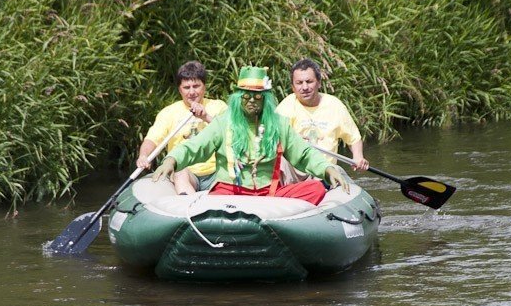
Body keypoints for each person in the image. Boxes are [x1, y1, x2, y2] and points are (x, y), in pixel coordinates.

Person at [151, 66, 348, 205]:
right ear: (238, 97)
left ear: (266, 99)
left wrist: (328, 169)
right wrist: (171, 160)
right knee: (213, 198)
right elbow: (194, 147)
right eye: (246, 95)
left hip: (269, 195)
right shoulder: (224, 122)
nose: (252, 101)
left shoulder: (279, 124)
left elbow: (304, 153)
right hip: (230, 192)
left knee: (315, 188)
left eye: (258, 96)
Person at [136, 61, 228, 194]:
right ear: (179, 89)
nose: (192, 92)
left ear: (204, 87)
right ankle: (189, 208)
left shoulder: (219, 106)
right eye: (186, 87)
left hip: (217, 172)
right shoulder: (169, 112)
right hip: (187, 172)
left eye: (196, 86)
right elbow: (152, 139)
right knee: (180, 173)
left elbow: (230, 134)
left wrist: (205, 117)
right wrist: (143, 155)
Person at [276, 58, 369, 182]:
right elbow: (273, 137)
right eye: (299, 83)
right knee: (281, 161)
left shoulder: (335, 105)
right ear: (293, 87)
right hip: (296, 171)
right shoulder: (286, 106)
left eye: (309, 82)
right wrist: (292, 140)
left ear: (319, 83)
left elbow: (353, 138)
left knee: (334, 171)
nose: (305, 87)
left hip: (325, 170)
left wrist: (358, 157)